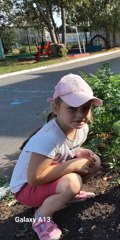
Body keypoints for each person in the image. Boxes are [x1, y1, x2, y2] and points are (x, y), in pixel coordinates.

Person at [10, 74, 103, 240]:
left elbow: (68, 147)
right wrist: (74, 164)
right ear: (55, 108)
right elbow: (35, 178)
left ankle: (66, 194)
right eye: (72, 109)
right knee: (72, 182)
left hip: (46, 174)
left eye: (85, 108)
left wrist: (79, 153)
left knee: (94, 162)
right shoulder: (48, 137)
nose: (80, 115)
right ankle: (41, 218)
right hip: (25, 189)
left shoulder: (81, 128)